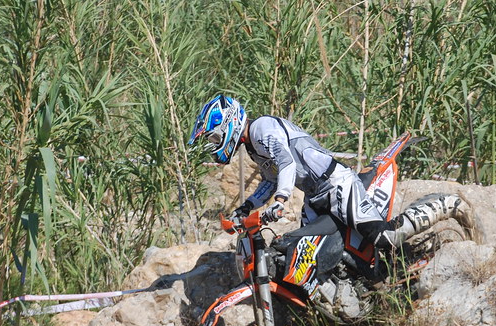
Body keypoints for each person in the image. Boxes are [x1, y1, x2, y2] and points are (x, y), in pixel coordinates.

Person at [188, 93, 463, 251]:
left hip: (335, 185)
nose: (215, 144)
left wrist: (281, 201)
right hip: (315, 196)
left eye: (214, 138)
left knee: (385, 237)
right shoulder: (253, 144)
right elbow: (270, 181)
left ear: (229, 124)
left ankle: (446, 204)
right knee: (306, 254)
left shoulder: (263, 129)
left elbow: (287, 164)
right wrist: (246, 207)